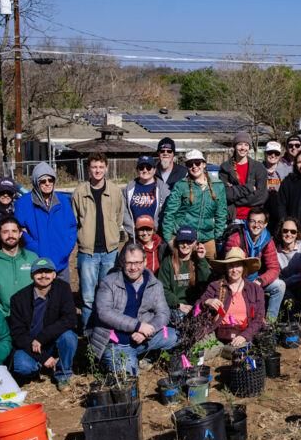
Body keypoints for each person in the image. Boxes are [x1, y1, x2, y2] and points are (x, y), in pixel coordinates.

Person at [89, 244, 177, 374]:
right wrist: (138, 326)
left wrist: (146, 331)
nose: (133, 267)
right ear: (122, 263)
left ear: (145, 262)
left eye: (137, 262)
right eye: (129, 263)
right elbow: (104, 313)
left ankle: (147, 356)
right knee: (129, 378)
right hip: (118, 343)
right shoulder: (109, 282)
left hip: (144, 338)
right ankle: (114, 361)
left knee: (175, 336)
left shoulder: (154, 284)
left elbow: (163, 313)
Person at [8, 257, 77, 390]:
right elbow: (18, 334)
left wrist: (42, 338)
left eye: (47, 272)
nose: (43, 275)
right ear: (32, 275)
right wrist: (43, 357)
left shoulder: (62, 289)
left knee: (69, 337)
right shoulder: (18, 299)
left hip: (51, 340)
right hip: (29, 345)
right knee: (23, 367)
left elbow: (70, 319)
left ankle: (63, 374)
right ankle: (40, 366)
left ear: (54, 274)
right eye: (39, 272)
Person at [72, 152, 123, 330]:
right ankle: (88, 333)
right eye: (94, 167)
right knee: (87, 297)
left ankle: (106, 332)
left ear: (106, 168)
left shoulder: (115, 191)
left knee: (107, 295)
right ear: (88, 169)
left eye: (101, 167)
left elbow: (119, 217)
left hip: (109, 252)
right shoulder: (79, 192)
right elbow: (75, 220)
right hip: (88, 253)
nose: (98, 170)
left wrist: (113, 235)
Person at [14, 162, 77, 282]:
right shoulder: (23, 203)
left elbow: (72, 227)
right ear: (36, 182)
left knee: (61, 297)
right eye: (43, 181)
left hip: (61, 261)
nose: (47, 183)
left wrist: (65, 249)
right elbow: (20, 231)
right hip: (37, 261)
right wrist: (37, 249)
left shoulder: (62, 201)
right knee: (40, 298)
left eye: (50, 180)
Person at [192, 248, 266, 351]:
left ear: (244, 267)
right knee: (196, 351)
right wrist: (206, 302)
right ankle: (221, 349)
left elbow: (259, 317)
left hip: (242, 335)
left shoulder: (255, 289)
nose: (234, 270)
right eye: (231, 266)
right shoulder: (215, 286)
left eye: (238, 265)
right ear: (226, 268)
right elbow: (196, 309)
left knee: (240, 352)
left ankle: (227, 350)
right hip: (217, 334)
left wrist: (244, 336)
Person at [161, 149, 228, 260]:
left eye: (197, 163)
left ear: (204, 164)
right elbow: (169, 213)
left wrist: (217, 235)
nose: (194, 166)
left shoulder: (218, 185)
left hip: (207, 237)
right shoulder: (181, 185)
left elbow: (221, 213)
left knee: (209, 272)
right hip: (184, 237)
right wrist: (169, 238)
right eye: (190, 164)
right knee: (184, 273)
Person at [224, 207, 285, 319]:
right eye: (253, 221)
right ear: (247, 222)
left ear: (265, 224)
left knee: (280, 286)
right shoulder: (236, 238)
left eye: (260, 222)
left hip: (256, 280)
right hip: (236, 280)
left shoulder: (267, 240)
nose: (256, 225)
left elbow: (274, 268)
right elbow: (230, 267)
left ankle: (270, 323)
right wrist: (245, 285)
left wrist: (260, 280)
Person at [0, 217, 37, 317]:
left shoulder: (32, 258)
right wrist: (4, 315)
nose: (10, 235)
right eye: (5, 232)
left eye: (14, 231)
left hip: (33, 314)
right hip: (5, 317)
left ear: (20, 234)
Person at [158, 226, 212, 323]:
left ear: (195, 243)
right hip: (176, 306)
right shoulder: (168, 262)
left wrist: (201, 260)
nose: (185, 245)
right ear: (177, 242)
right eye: (182, 241)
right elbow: (163, 289)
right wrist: (178, 304)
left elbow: (206, 283)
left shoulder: (198, 260)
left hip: (196, 305)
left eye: (189, 242)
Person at [220, 131, 269, 224]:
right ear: (234, 146)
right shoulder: (226, 167)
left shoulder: (258, 167)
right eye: (239, 144)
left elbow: (262, 196)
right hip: (233, 218)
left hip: (255, 219)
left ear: (249, 147)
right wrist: (249, 188)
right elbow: (225, 194)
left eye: (246, 145)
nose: (243, 148)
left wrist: (235, 198)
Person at [123, 154, 168, 241]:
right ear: (137, 170)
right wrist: (133, 231)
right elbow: (123, 212)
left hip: (156, 236)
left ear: (154, 170)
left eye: (148, 167)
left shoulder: (163, 189)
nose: (145, 170)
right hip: (135, 237)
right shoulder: (129, 188)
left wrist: (154, 230)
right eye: (141, 167)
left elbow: (167, 213)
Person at [276, 217, 301, 314]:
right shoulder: (275, 251)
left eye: (293, 232)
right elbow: (276, 277)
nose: (289, 234)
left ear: (297, 234)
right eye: (285, 231)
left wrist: (289, 280)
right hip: (285, 288)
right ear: (280, 232)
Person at [263, 140, 285, 233]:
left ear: (280, 155)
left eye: (276, 153)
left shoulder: (285, 171)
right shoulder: (258, 169)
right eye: (270, 152)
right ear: (265, 153)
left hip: (279, 211)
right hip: (262, 209)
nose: (273, 155)